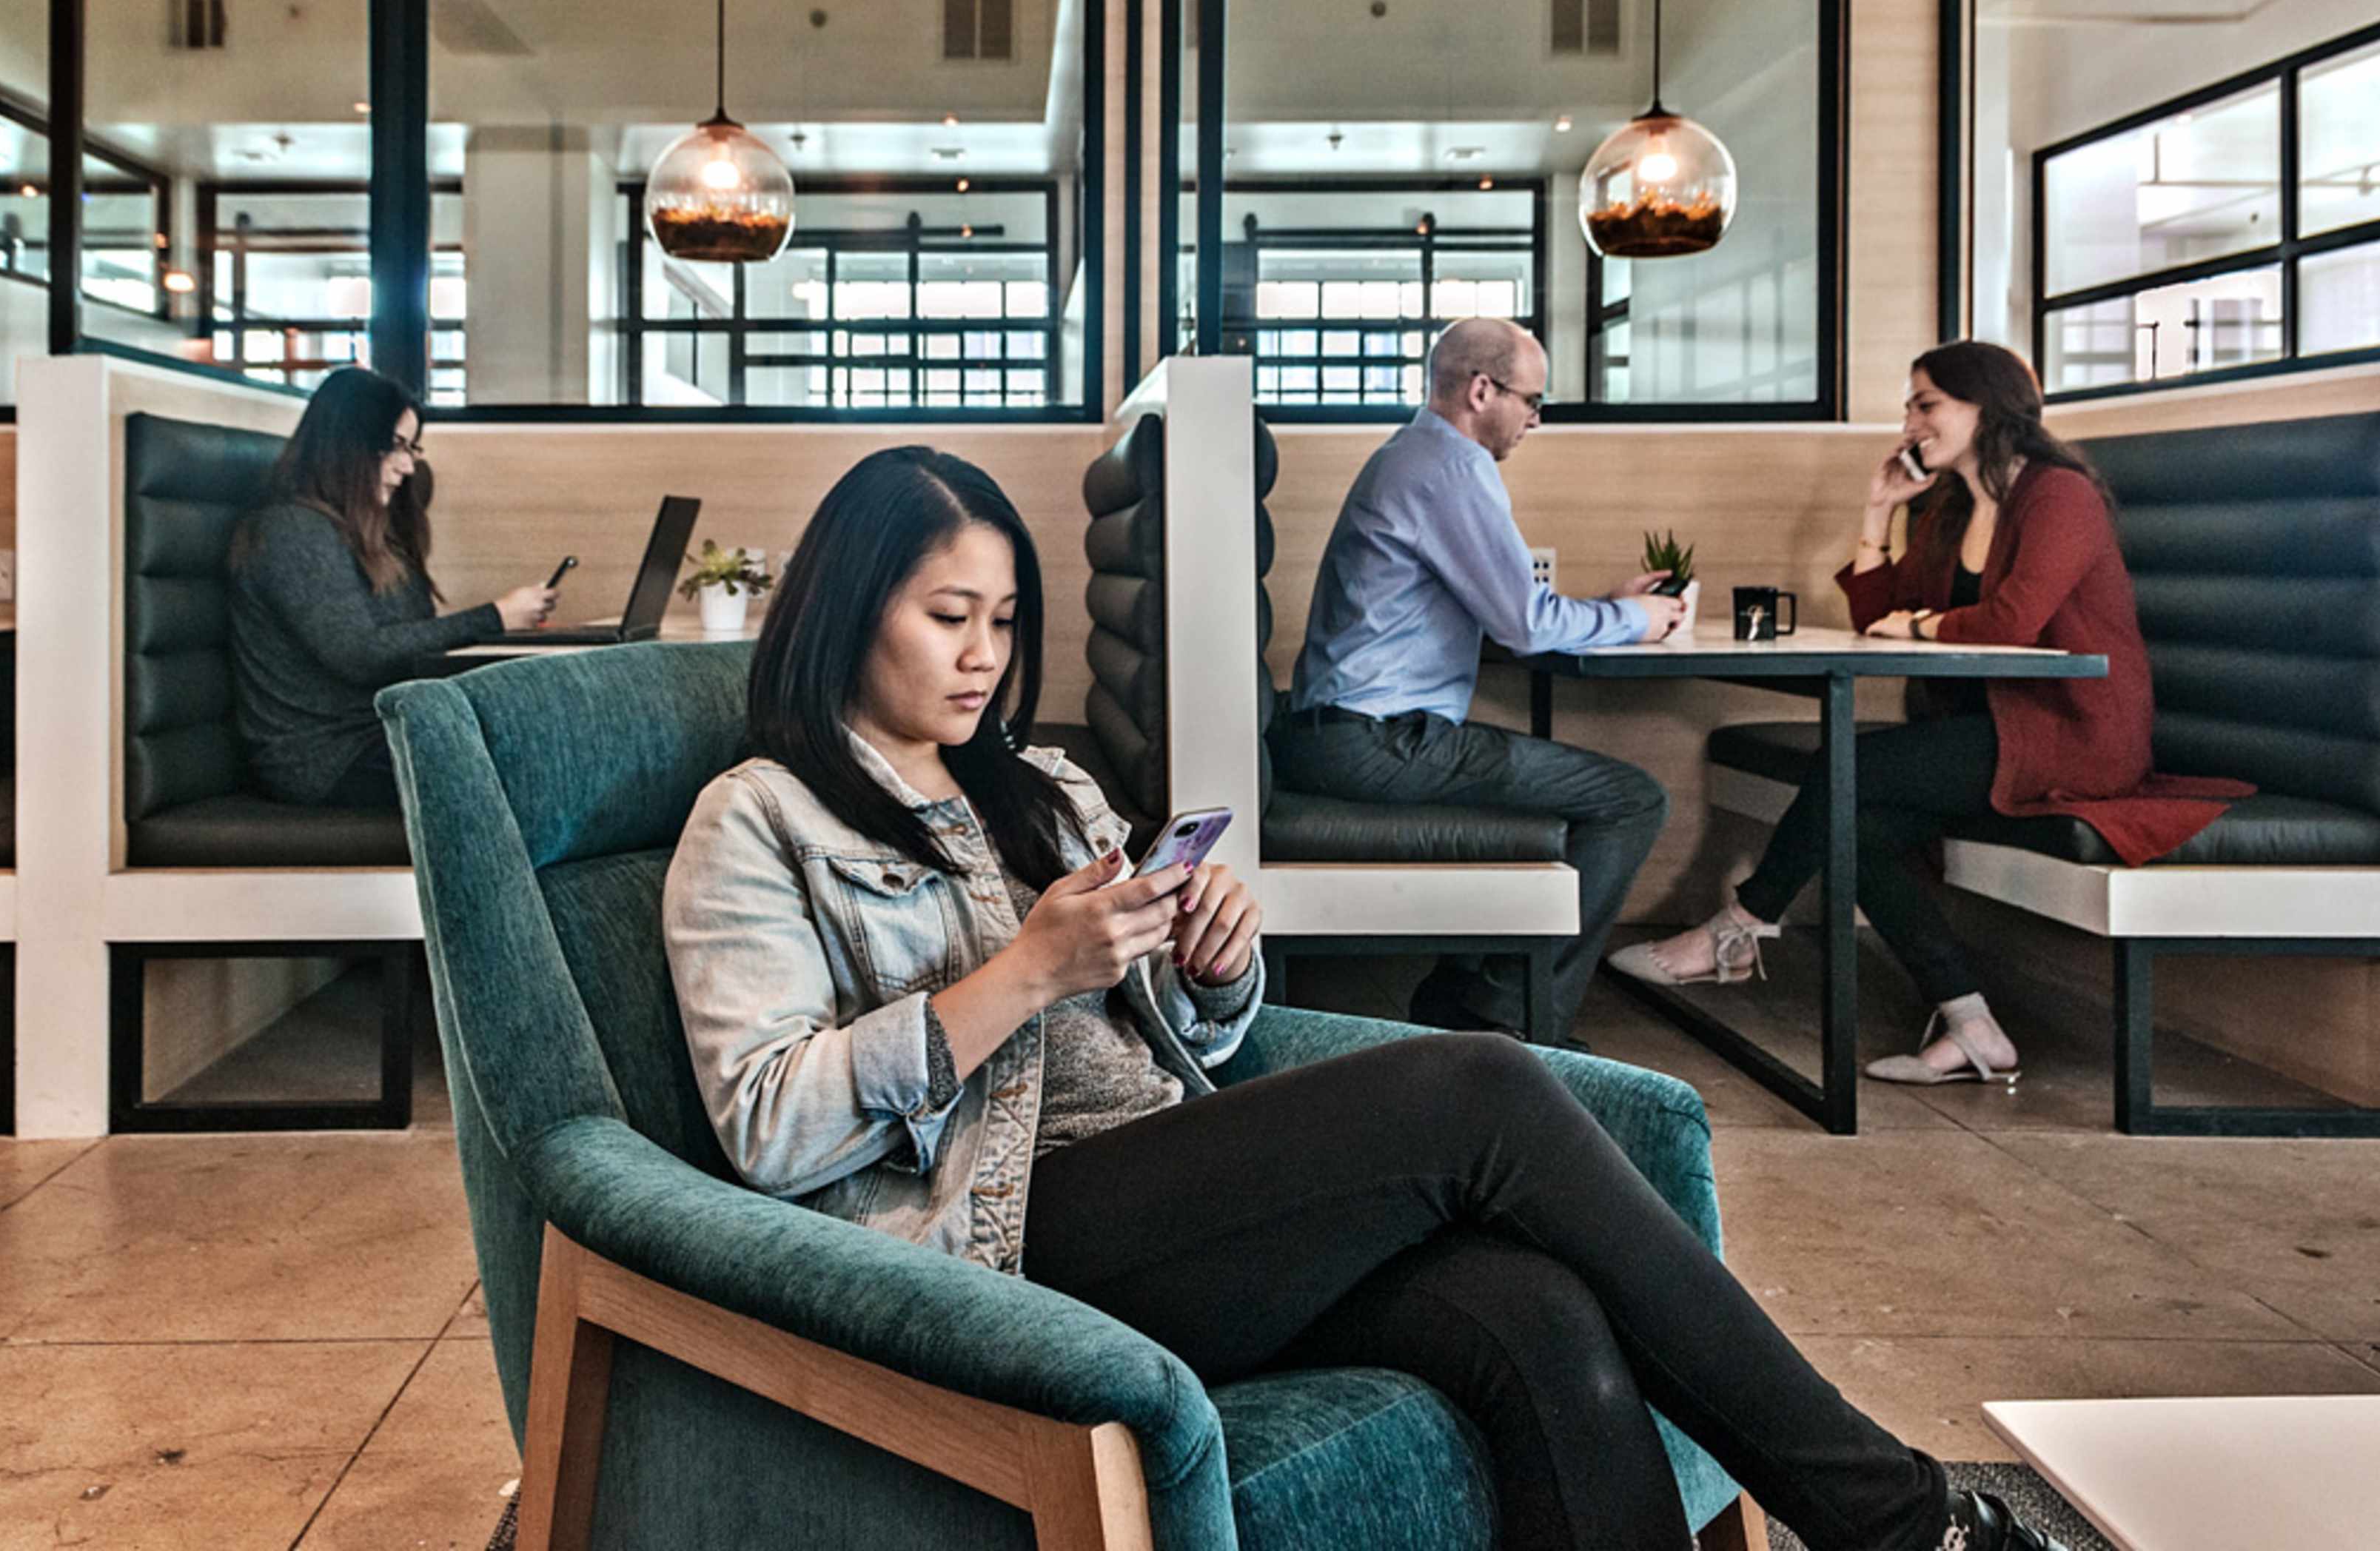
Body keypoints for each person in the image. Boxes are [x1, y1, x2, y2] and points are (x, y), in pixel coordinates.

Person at [661, 443, 2064, 1551]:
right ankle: (1899, 1519)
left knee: (1537, 1314)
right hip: (1000, 1241)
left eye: (1006, 620)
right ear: (851, 618)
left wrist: (1208, 970)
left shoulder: (1043, 785)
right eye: (948, 616)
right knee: (1484, 1085)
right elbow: (770, 1126)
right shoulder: (761, 818)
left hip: (1169, 1194)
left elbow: (1166, 1037)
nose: (985, 654)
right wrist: (1022, 974)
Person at [1612, 341, 2249, 1085]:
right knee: (1855, 827)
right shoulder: (1954, 508)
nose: (1910, 422)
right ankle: (1972, 1027)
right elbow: (1875, 613)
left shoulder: (2060, 496)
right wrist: (1879, 512)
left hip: (2074, 736)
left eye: (1926, 404)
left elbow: (2011, 619)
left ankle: (1738, 931)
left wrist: (1919, 627)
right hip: (1994, 735)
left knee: (1848, 769)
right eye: (1910, 406)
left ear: (1988, 407)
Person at [1268, 316, 1687, 1044]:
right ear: (1482, 389)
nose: (1535, 420)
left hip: (1332, 733)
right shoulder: (1453, 468)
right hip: (1377, 743)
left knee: (1565, 801)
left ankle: (1472, 999)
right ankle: (1521, 1022)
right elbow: (1524, 625)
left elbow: (1506, 611)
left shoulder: (1409, 457)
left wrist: (1613, 608)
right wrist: (1637, 619)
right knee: (1632, 800)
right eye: (1532, 401)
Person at [227, 367, 560, 809]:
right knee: (534, 769)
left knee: (548, 739)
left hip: (378, 731)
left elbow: (408, 635)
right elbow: (360, 654)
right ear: (349, 443)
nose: (408, 466)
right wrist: (494, 617)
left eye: (412, 449)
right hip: (324, 758)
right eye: (397, 447)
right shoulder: (291, 531)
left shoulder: (364, 530)